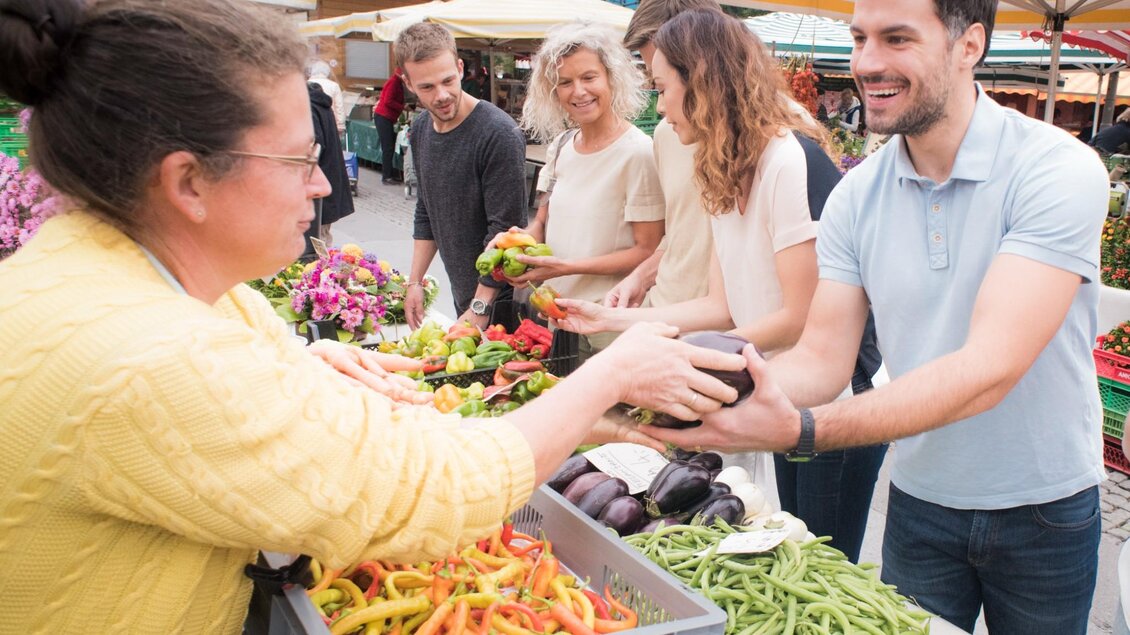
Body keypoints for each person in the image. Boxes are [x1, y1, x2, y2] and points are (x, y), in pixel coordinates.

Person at [0, 1, 751, 632]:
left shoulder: (118, 274)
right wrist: (611, 374)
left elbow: (231, 358)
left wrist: (296, 367)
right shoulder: (148, 355)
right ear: (188, 183)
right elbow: (447, 488)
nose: (324, 181)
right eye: (299, 160)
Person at [642, 0, 1107, 632]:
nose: (867, 62)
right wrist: (708, 389)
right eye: (860, 39)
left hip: (1043, 509)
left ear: (968, 46)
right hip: (919, 500)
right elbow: (821, 358)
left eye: (896, 39)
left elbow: (990, 367)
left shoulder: (1056, 168)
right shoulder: (857, 196)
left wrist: (801, 431)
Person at [555, 9, 885, 561]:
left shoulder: (788, 161)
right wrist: (609, 319)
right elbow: (718, 305)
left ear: (702, 82)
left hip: (833, 396)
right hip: (775, 384)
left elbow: (797, 316)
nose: (658, 106)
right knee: (789, 549)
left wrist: (681, 364)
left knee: (825, 562)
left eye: (663, 88)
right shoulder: (722, 166)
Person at [498, 21, 666, 357]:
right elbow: (542, 221)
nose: (579, 92)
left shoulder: (638, 153)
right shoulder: (561, 146)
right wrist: (517, 244)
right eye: (565, 83)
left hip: (607, 327)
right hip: (557, 320)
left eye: (589, 78)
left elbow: (648, 251)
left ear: (611, 78)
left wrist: (565, 267)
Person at [398, 23, 528, 329]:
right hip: (465, 296)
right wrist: (414, 282)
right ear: (407, 82)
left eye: (448, 80)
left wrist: (480, 306)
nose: (441, 95)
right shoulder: (420, 129)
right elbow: (426, 210)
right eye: (427, 87)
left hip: (504, 300)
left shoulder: (498, 133)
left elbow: (506, 232)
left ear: (460, 67)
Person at [605, 0, 722, 312]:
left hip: (725, 339)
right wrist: (641, 277)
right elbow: (679, 235)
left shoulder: (770, 140)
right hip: (665, 320)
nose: (660, 103)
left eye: (663, 79)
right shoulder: (665, 135)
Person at [305, 81, 353, 249]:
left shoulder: (308, 106)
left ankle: (320, 271)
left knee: (315, 242)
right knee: (321, 237)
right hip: (329, 179)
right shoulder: (319, 102)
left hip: (319, 185)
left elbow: (314, 148)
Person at [373, 67, 406, 185]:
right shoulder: (394, 82)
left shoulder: (396, 82)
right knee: (388, 147)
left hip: (386, 117)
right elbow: (388, 101)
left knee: (390, 146)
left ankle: (390, 173)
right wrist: (402, 107)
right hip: (383, 117)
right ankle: (386, 176)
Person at [307, 60, 345, 140]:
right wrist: (340, 125)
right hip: (330, 122)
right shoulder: (334, 86)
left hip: (310, 123)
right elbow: (339, 107)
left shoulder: (305, 84)